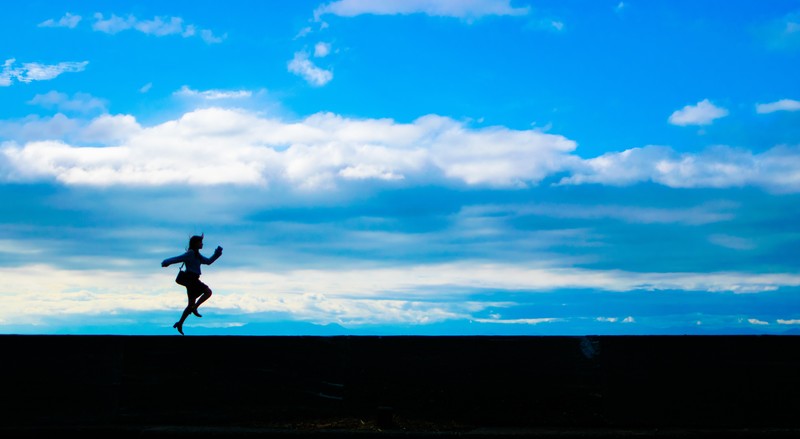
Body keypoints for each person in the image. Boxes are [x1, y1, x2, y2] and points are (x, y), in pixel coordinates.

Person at [162, 234, 223, 335]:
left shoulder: (196, 254)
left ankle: (180, 323)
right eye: (200, 242)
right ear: (196, 243)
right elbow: (178, 258)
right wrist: (166, 262)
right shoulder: (191, 253)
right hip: (191, 279)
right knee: (208, 292)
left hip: (193, 280)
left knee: (190, 304)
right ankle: (195, 308)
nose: (202, 244)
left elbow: (208, 261)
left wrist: (217, 253)